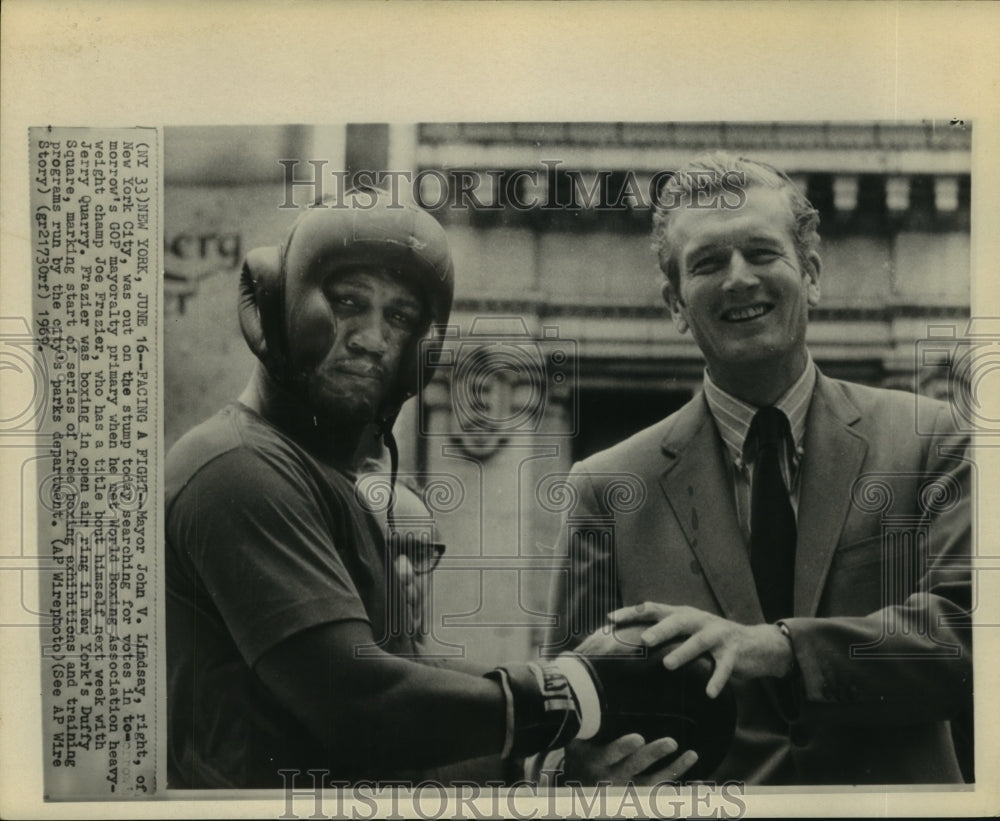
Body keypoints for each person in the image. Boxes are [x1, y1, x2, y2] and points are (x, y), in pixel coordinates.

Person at [164, 193, 724, 789]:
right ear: (275, 302)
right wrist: (578, 692)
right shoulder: (238, 465)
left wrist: (550, 767)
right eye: (349, 302)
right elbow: (359, 702)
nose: (374, 339)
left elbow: (412, 692)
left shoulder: (327, 484)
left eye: (400, 318)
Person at [547, 152, 973, 785]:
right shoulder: (606, 488)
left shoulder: (931, 440)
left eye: (762, 253)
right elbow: (559, 707)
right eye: (708, 263)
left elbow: (973, 638)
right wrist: (575, 770)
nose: (738, 280)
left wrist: (778, 648)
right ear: (675, 304)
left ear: (813, 274)